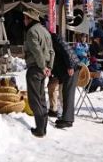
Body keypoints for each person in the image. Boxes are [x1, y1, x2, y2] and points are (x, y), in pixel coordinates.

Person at [23, 9, 54, 138]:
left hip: (36, 68)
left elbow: (37, 52)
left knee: (35, 99)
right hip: (44, 68)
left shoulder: (31, 32)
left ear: (30, 19)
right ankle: (43, 127)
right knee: (41, 98)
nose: (24, 20)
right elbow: (52, 51)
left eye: (25, 18)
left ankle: (40, 129)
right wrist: (49, 67)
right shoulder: (45, 31)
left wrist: (42, 67)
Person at [51, 30, 82, 128]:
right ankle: (65, 118)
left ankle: (67, 120)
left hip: (71, 68)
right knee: (65, 93)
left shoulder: (55, 39)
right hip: (66, 70)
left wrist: (70, 66)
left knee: (68, 94)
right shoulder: (53, 39)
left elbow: (66, 51)